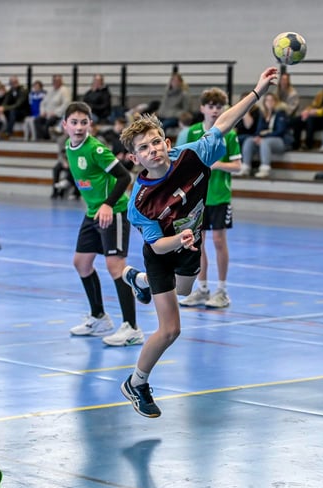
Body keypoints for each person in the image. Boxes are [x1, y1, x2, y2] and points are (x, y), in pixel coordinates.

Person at [117, 67, 278, 418]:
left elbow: (224, 123)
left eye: (156, 142)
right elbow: (157, 246)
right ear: (135, 158)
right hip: (163, 251)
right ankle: (136, 383)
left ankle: (139, 281)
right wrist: (178, 238)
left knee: (185, 290)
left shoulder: (193, 156)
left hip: (190, 246)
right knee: (171, 329)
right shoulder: (140, 202)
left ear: (167, 143)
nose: (152, 150)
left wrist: (257, 92)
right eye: (143, 148)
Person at [61, 101, 145, 346]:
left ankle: (132, 327)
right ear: (65, 125)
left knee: (115, 266)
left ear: (90, 124)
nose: (79, 127)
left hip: (114, 210)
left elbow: (124, 176)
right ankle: (99, 317)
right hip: (93, 212)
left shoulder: (96, 149)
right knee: (81, 263)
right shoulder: (69, 147)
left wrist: (108, 204)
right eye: (74, 123)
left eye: (83, 122)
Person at [178, 87, 242, 309]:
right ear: (202, 108)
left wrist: (217, 164)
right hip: (198, 197)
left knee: (218, 241)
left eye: (219, 107)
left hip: (219, 196)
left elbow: (238, 166)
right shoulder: (193, 132)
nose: (215, 110)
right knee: (198, 243)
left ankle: (222, 291)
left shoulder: (229, 134)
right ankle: (202, 289)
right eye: (211, 106)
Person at [239, 92, 289, 178]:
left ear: (276, 102)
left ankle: (265, 169)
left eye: (272, 100)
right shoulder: (263, 114)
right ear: (264, 102)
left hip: (280, 141)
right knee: (249, 140)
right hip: (265, 139)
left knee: (265, 142)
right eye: (267, 100)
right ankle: (245, 167)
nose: (269, 102)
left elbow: (280, 131)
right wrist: (257, 137)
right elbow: (258, 130)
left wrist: (263, 137)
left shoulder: (281, 113)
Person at [288, 72, 323, 150]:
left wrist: (317, 112)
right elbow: (313, 105)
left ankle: (308, 144)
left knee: (310, 119)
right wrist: (306, 111)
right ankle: (295, 144)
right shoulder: (321, 93)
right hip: (316, 115)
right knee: (297, 120)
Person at [35, 74, 71, 140]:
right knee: (37, 120)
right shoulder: (51, 91)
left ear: (61, 81)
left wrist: (55, 112)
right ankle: (39, 139)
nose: (55, 82)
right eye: (54, 81)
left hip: (57, 115)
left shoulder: (64, 90)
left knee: (48, 122)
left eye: (57, 81)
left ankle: (46, 139)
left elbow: (66, 104)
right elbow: (42, 103)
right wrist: (43, 112)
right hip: (47, 114)